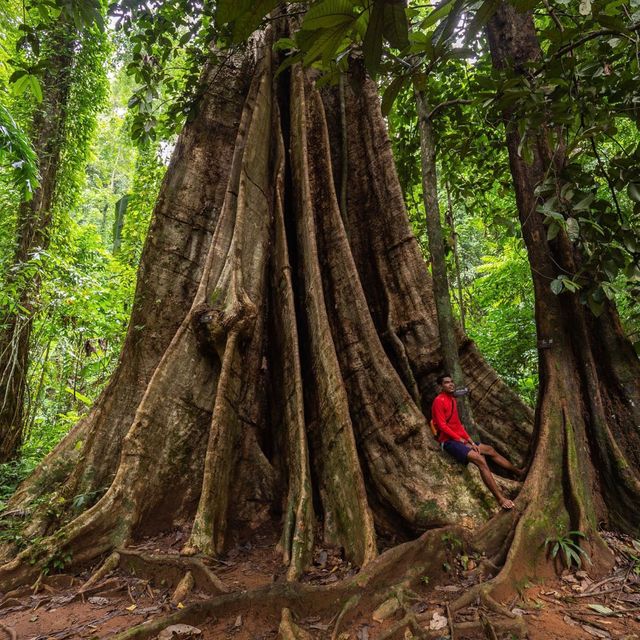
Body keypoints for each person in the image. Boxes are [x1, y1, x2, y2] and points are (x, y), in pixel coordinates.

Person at [432, 373, 523, 510]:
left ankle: (519, 472)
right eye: (446, 382)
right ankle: (501, 499)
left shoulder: (452, 400)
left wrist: (469, 440)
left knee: (489, 450)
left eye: (451, 382)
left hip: (460, 439)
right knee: (480, 460)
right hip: (448, 442)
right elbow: (442, 426)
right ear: (441, 386)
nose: (451, 384)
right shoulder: (439, 401)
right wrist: (460, 440)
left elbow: (457, 424)